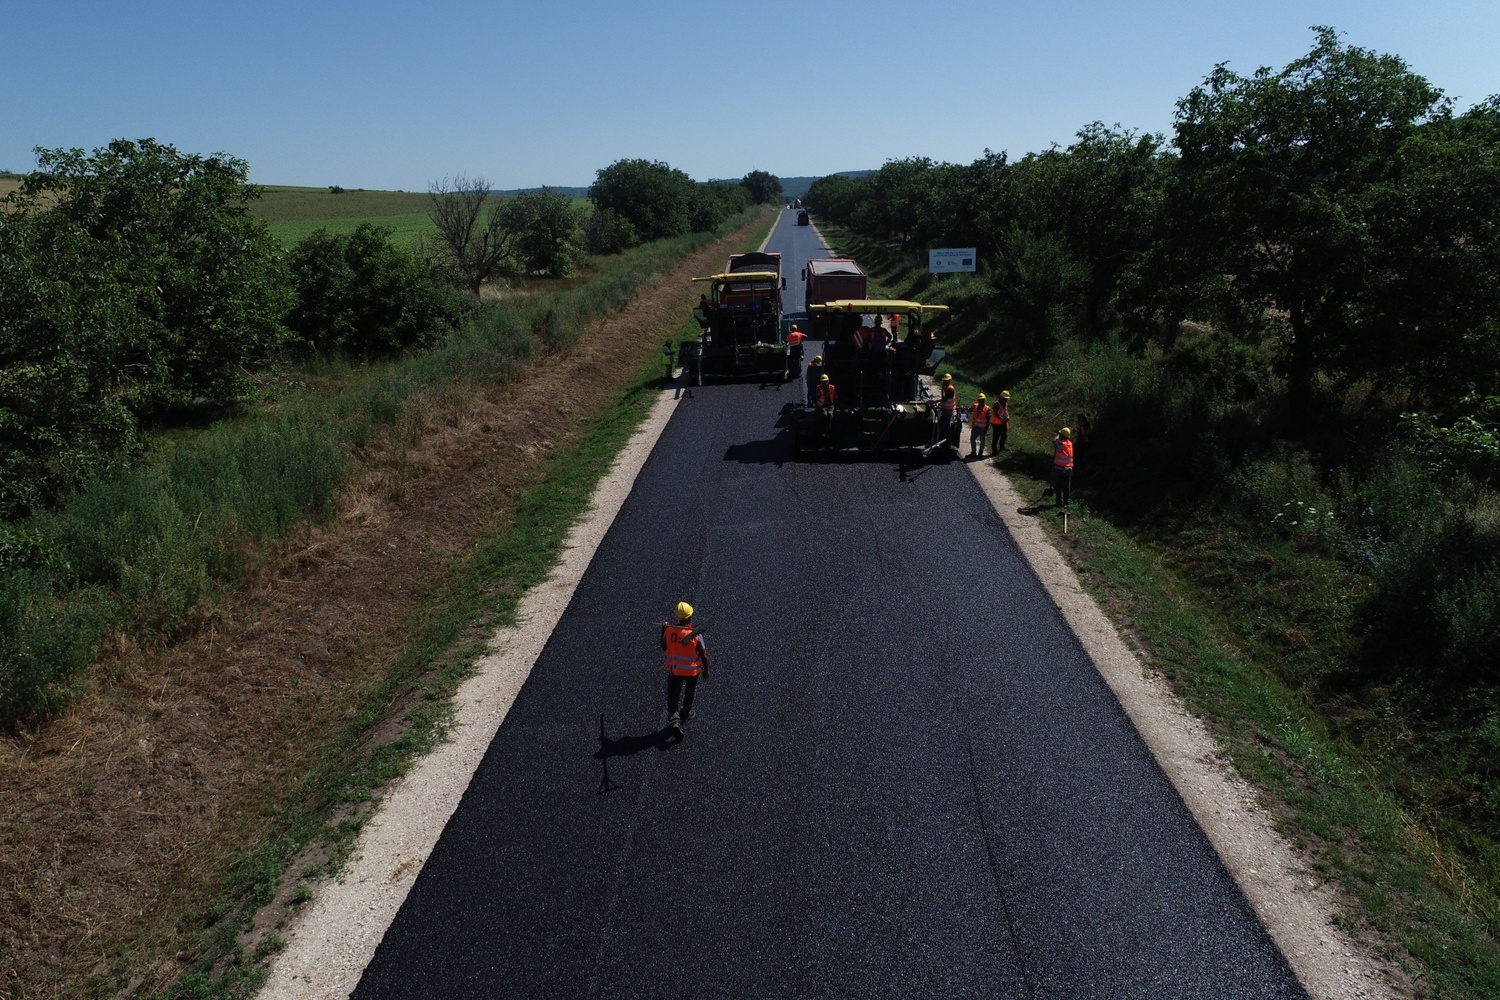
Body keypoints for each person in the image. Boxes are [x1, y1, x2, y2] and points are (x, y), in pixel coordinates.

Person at [661, 601, 709, 737]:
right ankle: (686, 712)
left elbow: (664, 646)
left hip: (675, 671)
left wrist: (663, 630)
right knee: (690, 692)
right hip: (691, 672)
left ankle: (675, 721)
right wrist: (706, 669)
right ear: (689, 617)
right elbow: (703, 654)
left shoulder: (669, 631)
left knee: (673, 695)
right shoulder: (695, 634)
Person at [1052, 426, 1074, 508]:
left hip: (1060, 469)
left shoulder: (1061, 444)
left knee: (1058, 486)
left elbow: (1054, 441)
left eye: (1060, 434)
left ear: (1062, 435)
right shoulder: (1070, 443)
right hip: (1069, 469)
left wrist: (1058, 435)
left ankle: (1059, 503)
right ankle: (1066, 503)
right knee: (1066, 487)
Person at [968, 393, 991, 458]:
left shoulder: (987, 409)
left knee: (982, 441)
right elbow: (969, 410)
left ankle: (980, 454)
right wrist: (962, 408)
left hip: (982, 428)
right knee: (972, 439)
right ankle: (973, 453)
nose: (981, 401)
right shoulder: (974, 406)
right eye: (980, 400)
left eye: (982, 400)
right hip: (975, 427)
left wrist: (986, 429)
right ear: (978, 400)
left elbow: (988, 420)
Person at [938, 373, 957, 444]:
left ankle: (946, 440)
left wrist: (942, 389)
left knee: (944, 425)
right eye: (944, 381)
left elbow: (944, 399)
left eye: (945, 381)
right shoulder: (947, 388)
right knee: (945, 425)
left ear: (949, 381)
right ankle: (945, 440)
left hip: (948, 410)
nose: (944, 382)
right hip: (946, 409)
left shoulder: (950, 389)